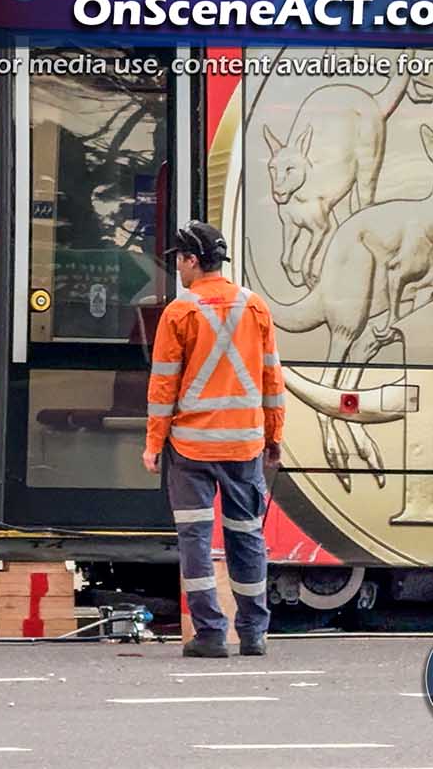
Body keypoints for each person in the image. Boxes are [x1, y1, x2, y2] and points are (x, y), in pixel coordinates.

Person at [142, 220, 284, 659]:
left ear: (190, 260)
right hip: (244, 447)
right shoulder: (255, 307)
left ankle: (210, 635)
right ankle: (254, 632)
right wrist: (274, 434)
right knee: (246, 538)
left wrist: (153, 444)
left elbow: (164, 385)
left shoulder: (179, 313)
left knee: (196, 541)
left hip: (191, 449)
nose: (177, 270)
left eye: (179, 261)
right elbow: (270, 379)